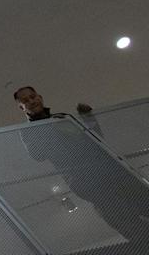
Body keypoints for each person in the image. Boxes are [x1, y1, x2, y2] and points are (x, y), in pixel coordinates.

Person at [14, 86, 149, 246]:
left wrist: (89, 118)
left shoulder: (62, 117)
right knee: (120, 215)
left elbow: (93, 139)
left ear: (40, 97)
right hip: (85, 179)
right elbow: (38, 155)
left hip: (110, 169)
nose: (31, 101)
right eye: (25, 100)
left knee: (143, 199)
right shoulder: (28, 130)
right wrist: (41, 126)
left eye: (32, 96)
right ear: (21, 107)